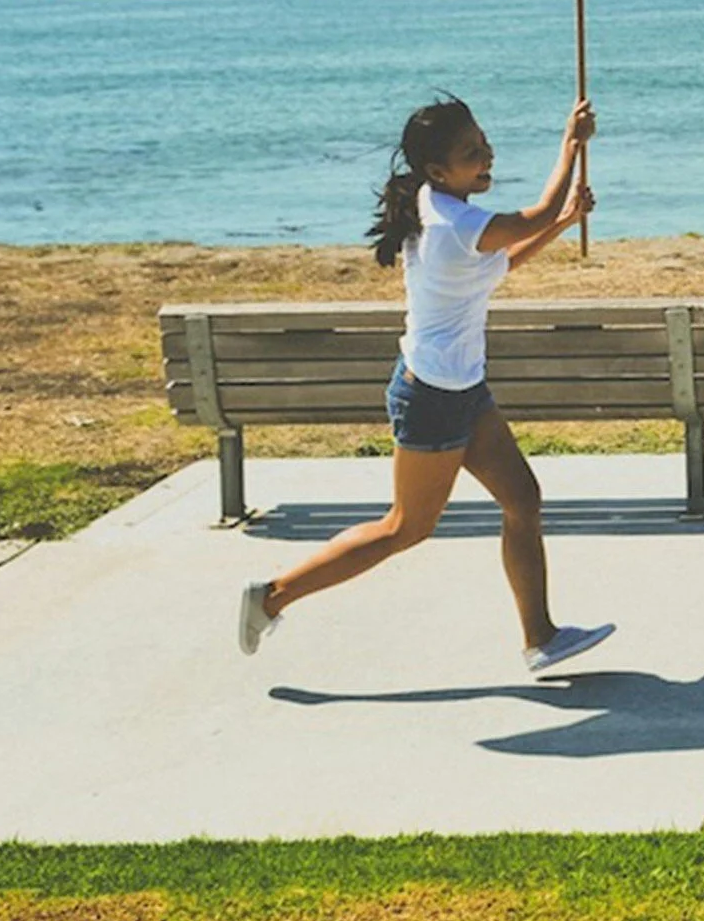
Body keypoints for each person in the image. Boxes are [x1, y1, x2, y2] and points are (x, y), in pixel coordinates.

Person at [236, 95, 614, 674]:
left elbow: (504, 259)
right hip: (432, 398)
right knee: (404, 529)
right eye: (471, 153)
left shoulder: (440, 205)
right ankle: (271, 597)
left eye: (483, 142)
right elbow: (532, 215)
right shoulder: (452, 222)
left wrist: (562, 224)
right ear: (438, 171)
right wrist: (570, 145)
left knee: (523, 500)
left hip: (463, 389)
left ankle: (541, 637)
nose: (486, 155)